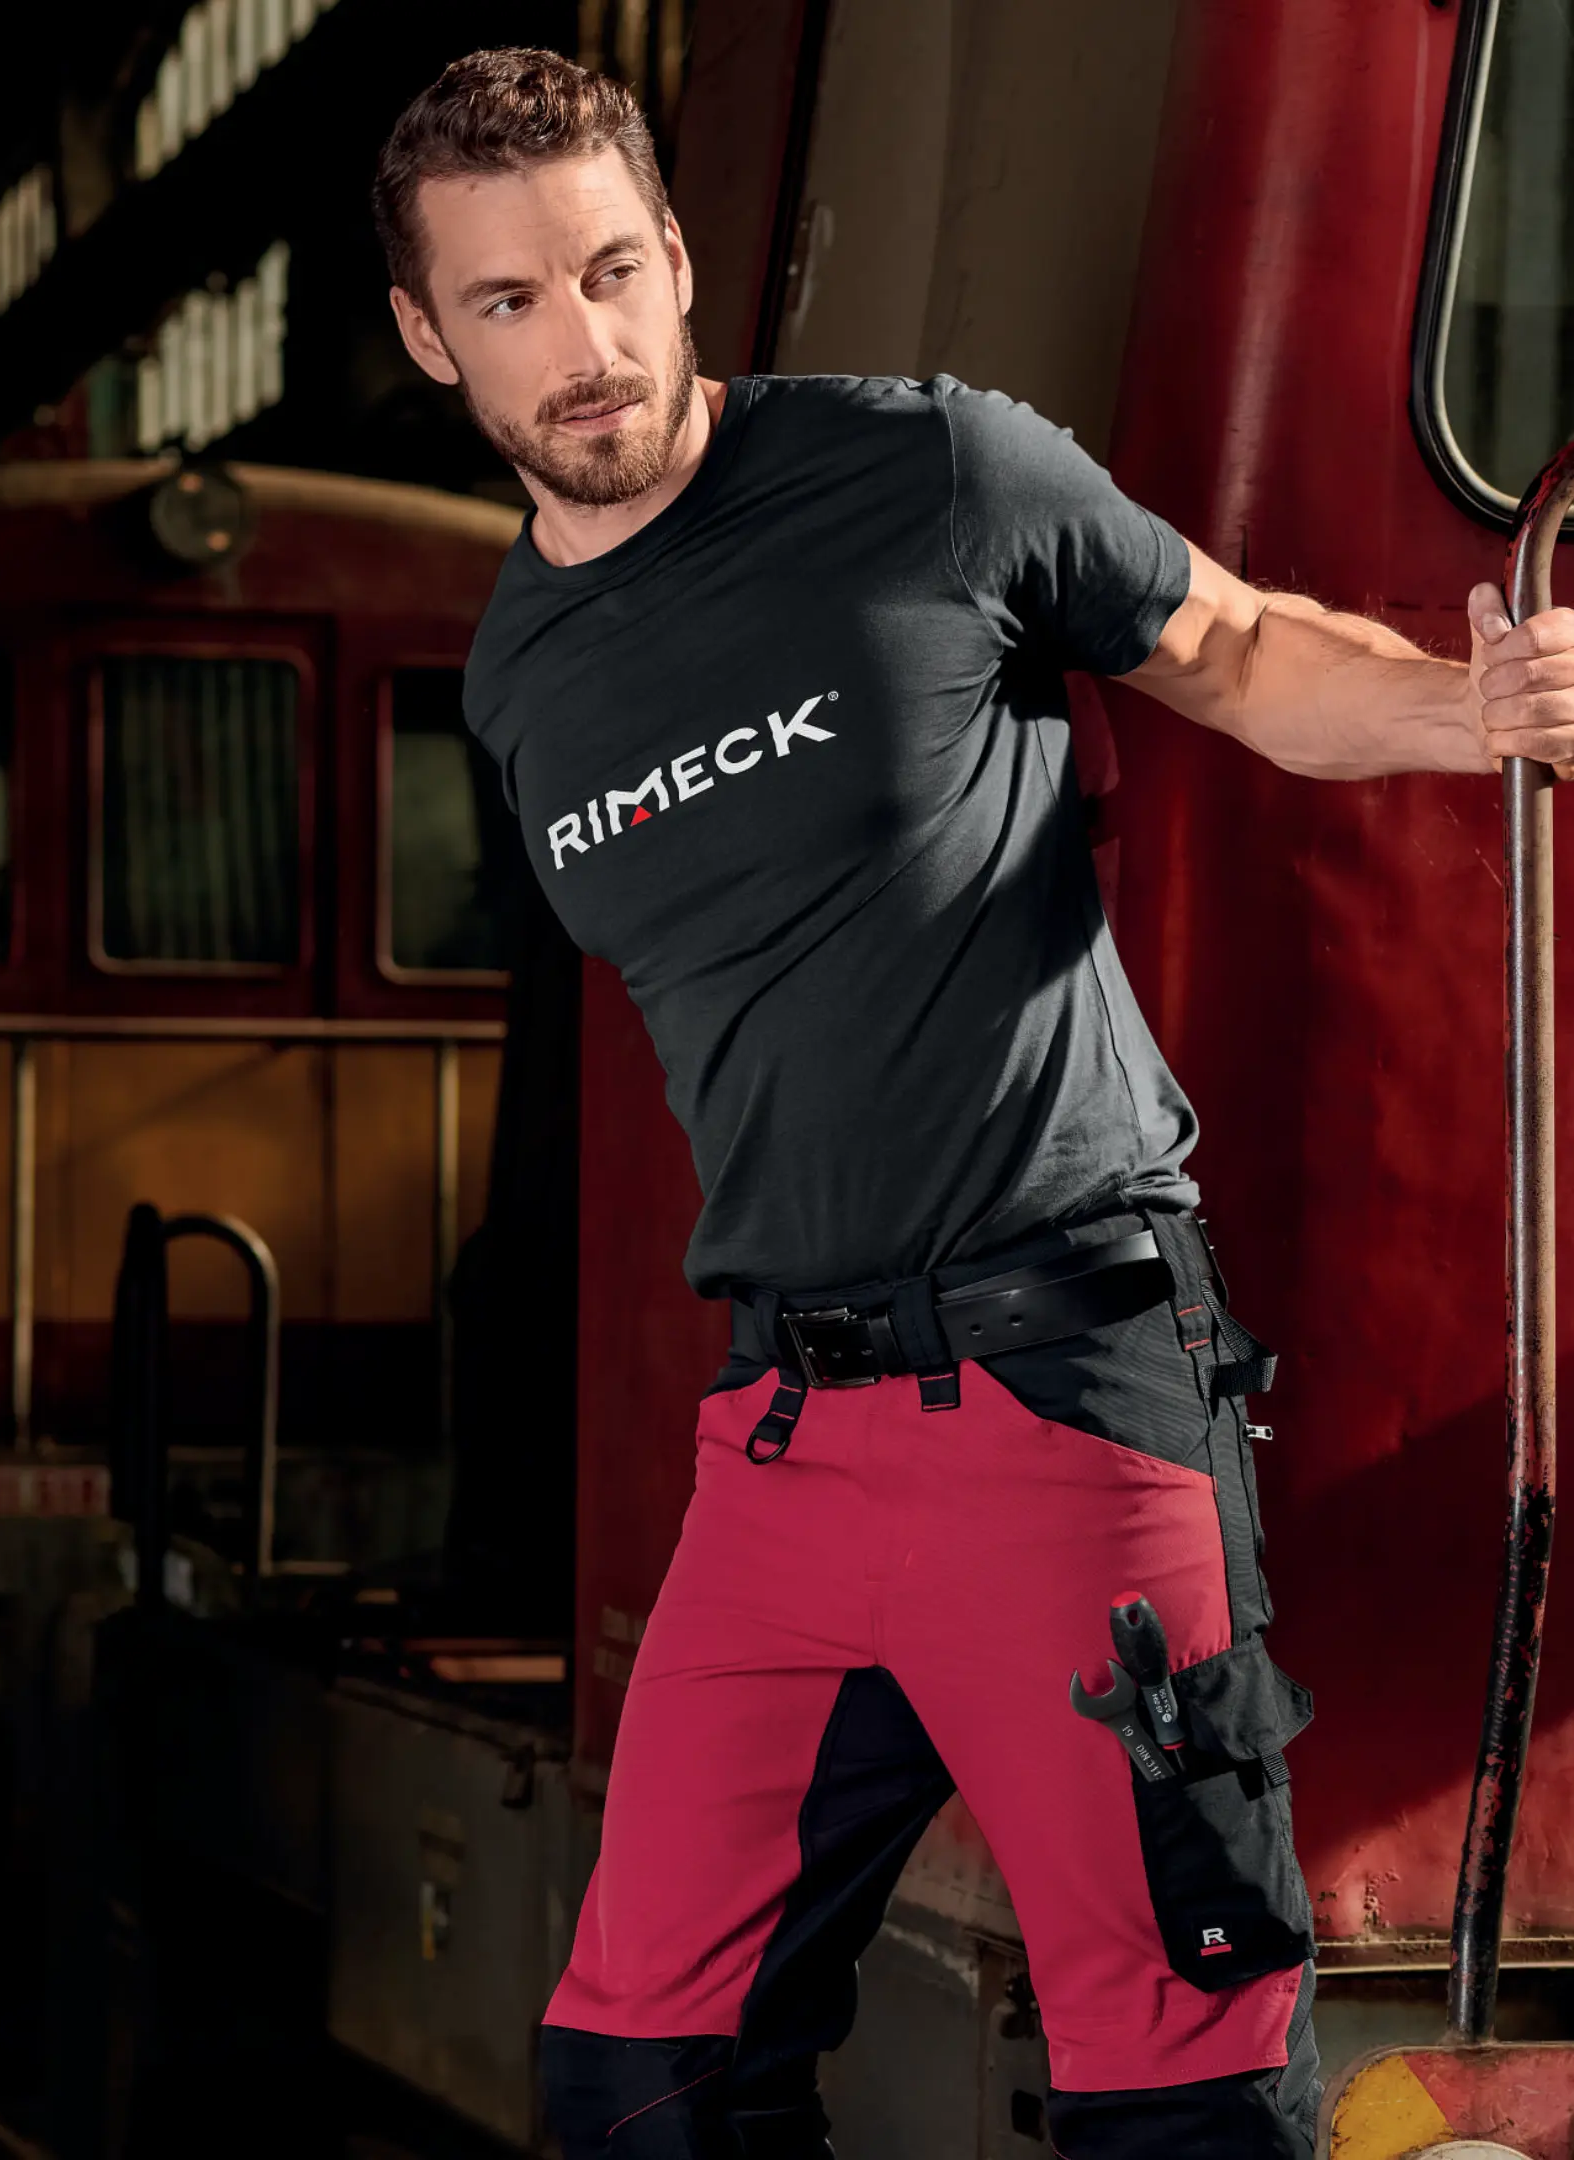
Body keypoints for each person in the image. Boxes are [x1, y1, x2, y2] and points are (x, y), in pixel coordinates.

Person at [373, 47, 1574, 2160]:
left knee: (1177, 2084)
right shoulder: (522, 675)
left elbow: (1238, 650)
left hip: (1066, 1384)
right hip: (784, 1433)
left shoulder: (927, 469)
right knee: (640, 2075)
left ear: (677, 261)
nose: (585, 344)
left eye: (613, 270)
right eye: (510, 301)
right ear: (425, 336)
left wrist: (1466, 706)